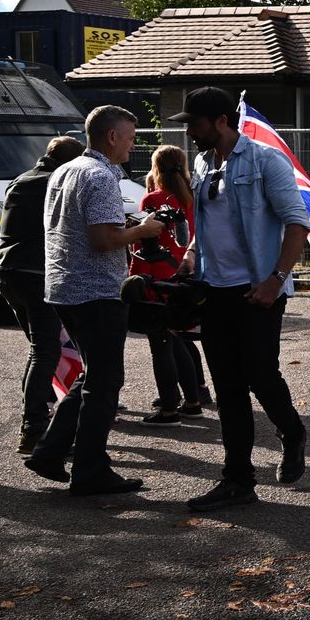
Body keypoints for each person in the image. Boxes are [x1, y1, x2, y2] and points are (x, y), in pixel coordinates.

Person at [171, 86, 310, 513]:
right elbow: (206, 222)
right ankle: (237, 480)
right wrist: (192, 254)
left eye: (194, 124)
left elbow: (296, 224)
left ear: (220, 121)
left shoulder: (266, 161)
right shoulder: (201, 163)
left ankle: (291, 431)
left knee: (259, 375)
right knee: (228, 387)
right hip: (214, 290)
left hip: (258, 291)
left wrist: (275, 279)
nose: (190, 133)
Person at [24, 105, 167, 497]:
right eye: (132, 137)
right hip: (96, 291)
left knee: (92, 376)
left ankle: (49, 452)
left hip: (64, 288)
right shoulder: (102, 176)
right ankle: (90, 471)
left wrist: (129, 229)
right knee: (104, 384)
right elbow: (103, 239)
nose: (133, 145)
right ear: (111, 137)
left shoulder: (65, 170)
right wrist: (144, 230)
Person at [0, 134, 86, 454]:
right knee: (45, 350)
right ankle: (34, 429)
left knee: (39, 350)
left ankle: (36, 420)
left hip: (7, 274)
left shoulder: (20, 180)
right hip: (37, 275)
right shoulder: (59, 183)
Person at [129, 144, 209, 426]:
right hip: (183, 271)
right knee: (176, 338)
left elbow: (141, 239)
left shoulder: (153, 198)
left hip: (155, 272)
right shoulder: (192, 196)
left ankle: (169, 408)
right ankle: (193, 400)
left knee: (160, 342)